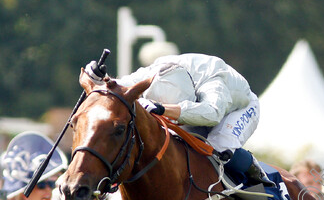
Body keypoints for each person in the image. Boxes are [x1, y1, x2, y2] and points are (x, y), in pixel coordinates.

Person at [113, 53, 274, 187]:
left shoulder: (214, 83)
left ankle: (255, 171)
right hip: (202, 106)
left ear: (192, 96)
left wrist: (163, 109)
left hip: (237, 108)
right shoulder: (152, 75)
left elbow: (213, 113)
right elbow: (117, 85)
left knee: (220, 144)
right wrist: (97, 75)